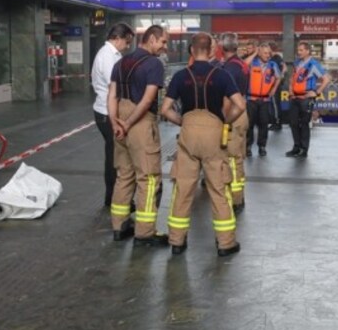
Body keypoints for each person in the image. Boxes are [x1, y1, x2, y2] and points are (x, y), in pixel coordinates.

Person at [161, 32, 246, 256]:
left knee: (183, 188)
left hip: (188, 133)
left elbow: (165, 109)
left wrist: (183, 121)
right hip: (213, 134)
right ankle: (226, 243)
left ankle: (177, 242)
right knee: (218, 188)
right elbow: (240, 104)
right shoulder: (222, 75)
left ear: (191, 50)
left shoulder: (180, 76)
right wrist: (224, 122)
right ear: (211, 51)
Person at [107, 24, 169, 246]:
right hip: (139, 122)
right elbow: (148, 100)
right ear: (151, 39)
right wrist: (129, 122)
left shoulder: (121, 62)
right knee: (149, 177)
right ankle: (144, 233)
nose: (164, 47)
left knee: (124, 175)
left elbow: (112, 95)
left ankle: (119, 226)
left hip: (120, 118)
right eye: (163, 42)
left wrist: (115, 122)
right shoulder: (154, 64)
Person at [91, 23, 134, 207]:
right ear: (117, 38)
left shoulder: (112, 54)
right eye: (127, 41)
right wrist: (117, 118)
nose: (128, 46)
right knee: (115, 157)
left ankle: (116, 197)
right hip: (107, 112)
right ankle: (113, 198)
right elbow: (113, 88)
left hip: (106, 110)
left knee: (115, 155)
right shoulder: (108, 56)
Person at [219, 32, 249, 214]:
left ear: (223, 48)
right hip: (242, 115)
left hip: (233, 115)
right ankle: (238, 196)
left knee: (232, 157)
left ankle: (235, 199)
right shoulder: (242, 65)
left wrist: (223, 120)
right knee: (238, 157)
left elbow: (228, 98)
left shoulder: (229, 69)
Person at [287, 41, 330, 158]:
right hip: (295, 97)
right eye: (298, 50)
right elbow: (292, 78)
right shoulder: (297, 63)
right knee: (294, 123)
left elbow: (326, 79)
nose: (298, 52)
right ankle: (296, 147)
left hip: (306, 98)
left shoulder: (313, 64)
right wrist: (290, 89)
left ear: (307, 51)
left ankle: (304, 149)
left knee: (304, 124)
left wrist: (316, 92)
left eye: (301, 50)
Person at [244, 42, 281, 157]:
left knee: (264, 124)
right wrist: (254, 52)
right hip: (251, 99)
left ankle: (262, 146)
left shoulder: (272, 64)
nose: (268, 55)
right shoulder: (252, 63)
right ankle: (248, 146)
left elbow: (279, 77)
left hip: (265, 100)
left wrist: (274, 88)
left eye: (269, 53)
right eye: (265, 53)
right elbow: (244, 64)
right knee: (249, 124)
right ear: (259, 53)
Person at [268, 44, 287, 131]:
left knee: (275, 104)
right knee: (273, 104)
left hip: (275, 83)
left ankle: (277, 123)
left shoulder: (276, 57)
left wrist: (281, 75)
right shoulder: (271, 58)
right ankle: (275, 122)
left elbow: (284, 67)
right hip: (272, 83)